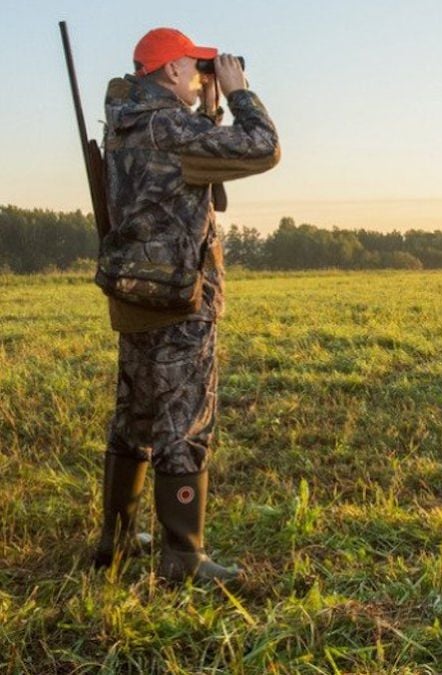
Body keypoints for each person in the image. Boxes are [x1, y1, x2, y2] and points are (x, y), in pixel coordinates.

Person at [91, 27, 279, 581]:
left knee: (136, 416)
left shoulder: (126, 123)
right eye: (195, 69)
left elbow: (190, 165)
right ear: (170, 70)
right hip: (179, 299)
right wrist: (239, 93)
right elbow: (264, 147)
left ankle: (116, 540)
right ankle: (183, 556)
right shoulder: (174, 127)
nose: (202, 78)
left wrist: (210, 112)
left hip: (134, 293)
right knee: (185, 423)